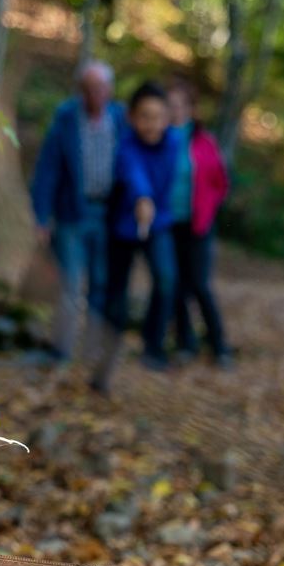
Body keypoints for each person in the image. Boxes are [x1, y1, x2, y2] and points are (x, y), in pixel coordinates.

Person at [30, 60, 126, 361]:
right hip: (73, 213)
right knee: (70, 284)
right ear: (80, 90)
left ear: (110, 90)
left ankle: (93, 349)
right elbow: (47, 170)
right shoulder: (66, 119)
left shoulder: (121, 120)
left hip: (108, 216)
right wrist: (40, 217)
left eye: (100, 87)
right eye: (88, 88)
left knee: (100, 283)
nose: (94, 94)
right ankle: (62, 349)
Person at [91, 81, 179, 392]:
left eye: (157, 116)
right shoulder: (126, 144)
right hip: (124, 226)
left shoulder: (173, 143)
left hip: (158, 225)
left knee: (166, 279)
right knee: (117, 291)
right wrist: (142, 198)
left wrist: (152, 205)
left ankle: (153, 347)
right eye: (144, 116)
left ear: (167, 117)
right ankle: (107, 353)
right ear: (132, 117)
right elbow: (132, 172)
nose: (151, 123)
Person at [167, 79, 231, 366]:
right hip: (168, 224)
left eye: (180, 106)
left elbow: (220, 183)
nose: (175, 111)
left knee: (200, 284)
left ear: (192, 109)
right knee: (176, 286)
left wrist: (207, 207)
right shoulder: (159, 137)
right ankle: (185, 343)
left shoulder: (204, 142)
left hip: (198, 224)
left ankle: (219, 345)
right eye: (170, 106)